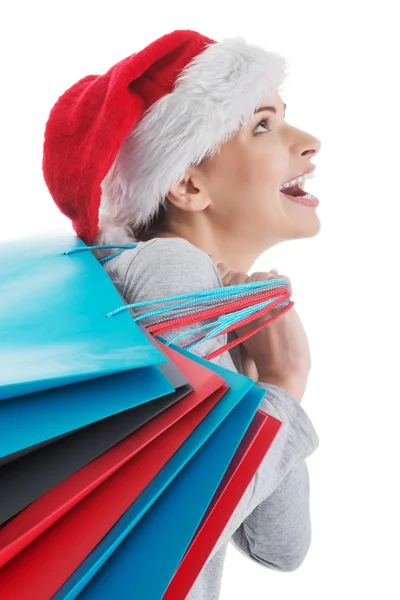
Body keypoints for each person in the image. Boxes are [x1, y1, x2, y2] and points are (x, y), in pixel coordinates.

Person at [42, 29, 321, 599]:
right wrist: (284, 384)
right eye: (262, 125)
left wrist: (263, 392)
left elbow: (282, 545)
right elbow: (175, 521)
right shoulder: (174, 269)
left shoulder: (208, 305)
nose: (309, 141)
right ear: (186, 183)